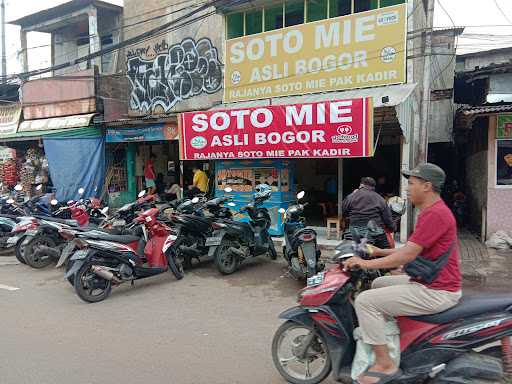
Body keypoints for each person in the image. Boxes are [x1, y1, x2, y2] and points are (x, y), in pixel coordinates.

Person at [344, 163, 462, 384]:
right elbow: (411, 249)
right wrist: (379, 251)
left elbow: (406, 256)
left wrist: (364, 263)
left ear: (427, 186)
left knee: (365, 301)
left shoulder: (434, 214)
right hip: (432, 281)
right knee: (378, 284)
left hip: (436, 290)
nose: (407, 188)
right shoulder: (432, 211)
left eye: (411, 183)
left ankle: (385, 364)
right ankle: (392, 338)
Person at [342, 177, 394, 249]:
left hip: (353, 232)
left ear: (361, 185)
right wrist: (392, 228)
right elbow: (387, 218)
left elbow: (344, 211)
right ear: (373, 187)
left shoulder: (351, 196)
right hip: (375, 233)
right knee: (387, 253)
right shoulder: (380, 199)